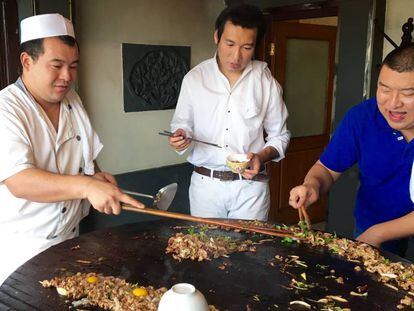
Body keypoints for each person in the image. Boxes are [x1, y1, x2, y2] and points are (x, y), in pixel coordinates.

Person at [0, 13, 143, 284]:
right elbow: (20, 181)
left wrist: (97, 178)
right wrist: (86, 187)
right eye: (57, 65)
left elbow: (87, 155)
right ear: (27, 61)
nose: (67, 76)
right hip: (21, 251)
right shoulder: (6, 108)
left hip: (69, 242)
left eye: (73, 65)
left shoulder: (72, 101)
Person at [289, 44, 414, 256]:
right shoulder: (362, 118)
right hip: (373, 223)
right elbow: (327, 169)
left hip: (379, 232)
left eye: (407, 93)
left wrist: (378, 234)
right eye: (384, 89)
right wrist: (312, 185)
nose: (392, 103)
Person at [168, 4, 290, 220]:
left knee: (249, 251)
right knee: (205, 252)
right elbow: (182, 125)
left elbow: (280, 136)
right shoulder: (195, 79)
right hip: (206, 188)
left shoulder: (265, 81)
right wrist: (180, 136)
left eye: (246, 47)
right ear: (217, 36)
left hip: (250, 190)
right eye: (230, 43)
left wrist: (260, 157)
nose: (236, 56)